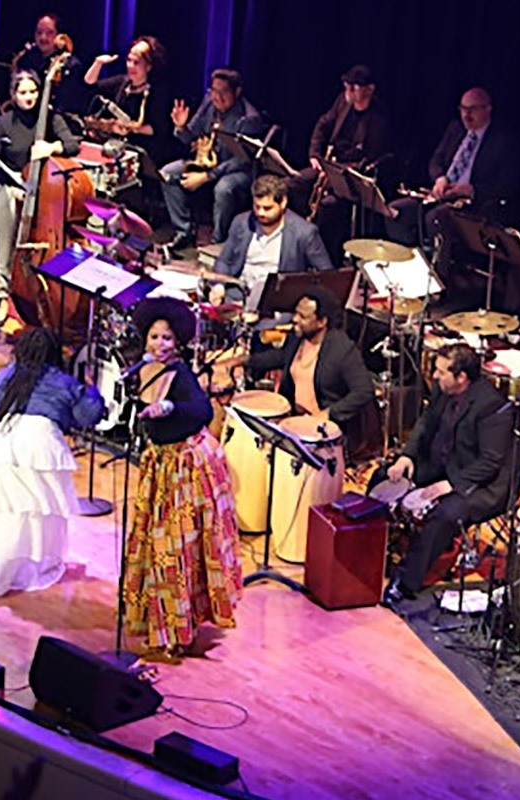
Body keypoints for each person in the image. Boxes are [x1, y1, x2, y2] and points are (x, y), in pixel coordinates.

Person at [0, 328, 101, 604]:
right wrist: (92, 389)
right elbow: (88, 416)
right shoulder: (63, 381)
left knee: (6, 514)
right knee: (35, 516)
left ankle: (2, 569)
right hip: (39, 447)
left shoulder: (6, 374)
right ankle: (18, 570)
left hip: (4, 444)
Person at [122, 298, 242, 661]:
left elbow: (203, 411)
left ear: (178, 343)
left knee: (178, 551)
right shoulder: (141, 371)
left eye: (167, 339)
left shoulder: (182, 375)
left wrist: (169, 407)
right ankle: (160, 623)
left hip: (188, 467)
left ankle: (179, 630)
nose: (160, 344)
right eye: (155, 337)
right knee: (157, 547)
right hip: (160, 465)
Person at [376, 344, 516, 604]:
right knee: (383, 476)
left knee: (445, 514)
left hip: (481, 482)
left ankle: (406, 581)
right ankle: (371, 548)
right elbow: (425, 423)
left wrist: (451, 484)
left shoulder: (492, 407)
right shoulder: (444, 389)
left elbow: (490, 461)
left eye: (441, 372)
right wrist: (407, 456)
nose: (435, 376)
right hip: (443, 464)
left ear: (461, 377)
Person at [0, 69, 78, 328]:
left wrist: (51, 147)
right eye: (23, 92)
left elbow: (73, 145)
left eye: (34, 91)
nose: (29, 97)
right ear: (13, 95)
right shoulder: (3, 123)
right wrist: (13, 183)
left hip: (43, 190)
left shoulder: (50, 118)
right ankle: (3, 295)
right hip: (11, 185)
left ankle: (45, 296)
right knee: (6, 239)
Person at [235, 287, 374, 455]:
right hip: (295, 422)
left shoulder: (342, 349)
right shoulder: (297, 337)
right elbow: (281, 357)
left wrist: (328, 414)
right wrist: (244, 360)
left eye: (303, 317)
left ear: (322, 322)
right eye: (296, 313)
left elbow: (364, 391)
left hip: (324, 435)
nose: (295, 319)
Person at [385, 87, 520, 247]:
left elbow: (506, 185)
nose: (466, 115)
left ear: (487, 109)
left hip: (471, 203)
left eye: (472, 109)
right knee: (395, 211)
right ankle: (410, 256)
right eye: (463, 109)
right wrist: (440, 178)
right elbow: (436, 160)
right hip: (442, 193)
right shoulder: (455, 128)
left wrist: (471, 189)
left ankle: (440, 263)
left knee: (436, 218)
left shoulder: (502, 140)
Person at [291, 64, 398, 253]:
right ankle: (294, 243)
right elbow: (323, 125)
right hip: (327, 165)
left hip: (349, 177)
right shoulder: (342, 101)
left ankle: (322, 256)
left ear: (370, 89)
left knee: (328, 207)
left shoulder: (379, 120)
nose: (348, 90)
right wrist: (314, 155)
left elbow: (368, 161)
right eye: (347, 84)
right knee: (292, 184)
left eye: (354, 86)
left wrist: (334, 174)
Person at [161, 68, 271, 251]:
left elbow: (241, 160)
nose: (216, 97)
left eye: (223, 92)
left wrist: (208, 176)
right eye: (213, 91)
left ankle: (216, 242)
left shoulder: (249, 119)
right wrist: (181, 127)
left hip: (237, 169)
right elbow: (190, 137)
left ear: (237, 92)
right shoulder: (208, 104)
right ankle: (184, 231)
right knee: (167, 173)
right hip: (206, 163)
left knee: (223, 188)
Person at [211, 175, 333, 312]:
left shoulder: (304, 233)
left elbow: (326, 275)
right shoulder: (241, 222)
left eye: (267, 208)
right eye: (257, 207)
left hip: (276, 304)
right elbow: (225, 260)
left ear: (283, 203)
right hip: (238, 294)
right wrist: (219, 286)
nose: (261, 213)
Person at [82, 36, 174, 163]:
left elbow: (158, 129)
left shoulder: (157, 92)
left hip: (143, 151)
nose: (130, 66)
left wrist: (130, 128)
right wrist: (98, 63)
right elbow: (90, 84)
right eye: (129, 60)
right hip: (117, 147)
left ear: (148, 66)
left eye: (136, 62)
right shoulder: (122, 82)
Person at [10, 14, 85, 115]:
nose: (43, 37)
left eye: (49, 33)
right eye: (39, 32)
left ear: (59, 36)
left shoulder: (70, 65)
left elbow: (70, 104)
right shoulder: (26, 60)